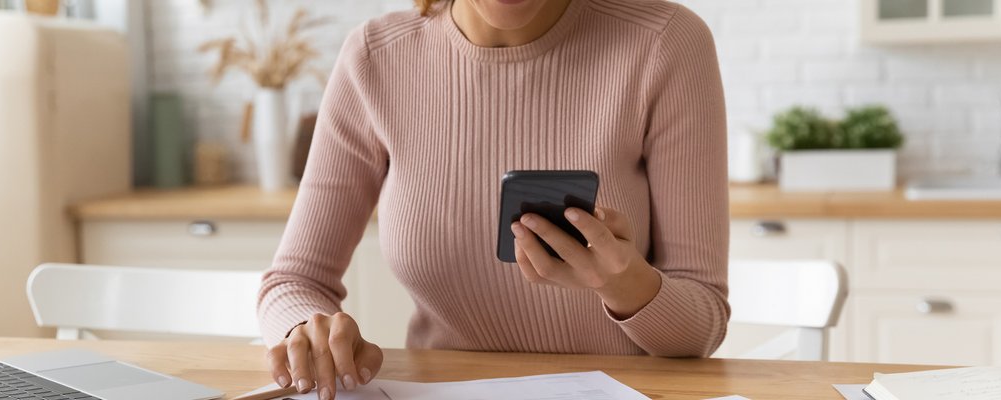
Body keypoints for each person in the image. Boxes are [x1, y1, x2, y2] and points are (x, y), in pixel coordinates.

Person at [257, 0, 730, 399]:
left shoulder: (664, 42)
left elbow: (702, 326)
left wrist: (626, 284)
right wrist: (308, 331)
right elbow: (294, 281)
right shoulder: (376, 57)